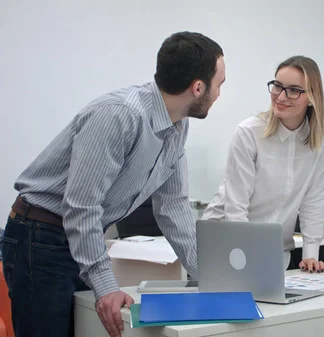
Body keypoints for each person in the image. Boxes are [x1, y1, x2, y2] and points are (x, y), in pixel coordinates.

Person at [1, 31, 226, 337]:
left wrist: (207, 278)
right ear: (198, 87)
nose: (219, 94)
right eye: (219, 85)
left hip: (75, 237)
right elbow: (81, 206)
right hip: (40, 236)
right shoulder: (120, 115)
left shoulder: (177, 125)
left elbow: (172, 206)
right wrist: (106, 285)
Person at [202, 55, 324, 273]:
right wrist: (244, 256)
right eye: (278, 86)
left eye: (293, 90)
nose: (281, 96)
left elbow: (315, 196)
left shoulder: (323, 134)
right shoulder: (249, 132)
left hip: (274, 246)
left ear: (311, 97)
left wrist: (311, 255)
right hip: (227, 238)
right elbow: (236, 205)